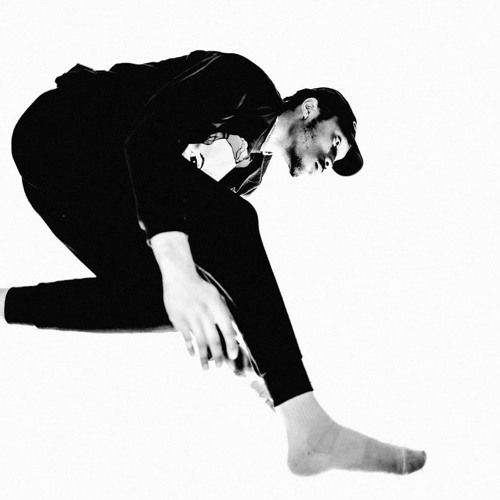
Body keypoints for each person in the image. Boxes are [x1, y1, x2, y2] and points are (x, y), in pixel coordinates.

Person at [0, 50, 426, 476]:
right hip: (65, 130)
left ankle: (5, 303)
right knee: (228, 227)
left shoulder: (247, 176)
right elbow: (147, 142)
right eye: (334, 142)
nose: (329, 161)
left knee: (166, 301)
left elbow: (209, 251)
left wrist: (249, 361)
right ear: (310, 109)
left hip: (76, 194)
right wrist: (180, 271)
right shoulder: (243, 84)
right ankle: (306, 420)